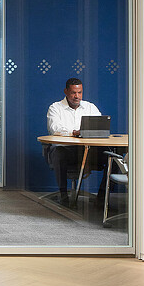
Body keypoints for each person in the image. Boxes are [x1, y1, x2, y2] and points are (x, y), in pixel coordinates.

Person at [44, 77, 101, 205]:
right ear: (66, 91)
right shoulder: (55, 108)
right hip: (66, 150)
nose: (77, 96)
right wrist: (75, 132)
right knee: (59, 152)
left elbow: (99, 125)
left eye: (79, 92)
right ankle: (63, 194)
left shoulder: (90, 107)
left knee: (111, 157)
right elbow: (54, 129)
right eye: (73, 93)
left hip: (87, 151)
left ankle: (102, 198)